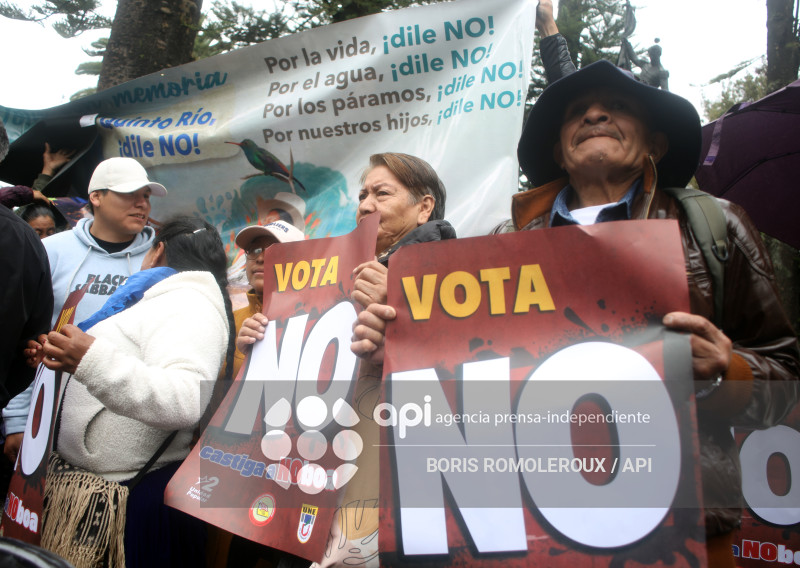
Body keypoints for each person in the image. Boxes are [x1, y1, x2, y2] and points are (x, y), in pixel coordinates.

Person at [353, 59, 800, 567]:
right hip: (531, 532)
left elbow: (785, 377)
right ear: (557, 152)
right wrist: (402, 350)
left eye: (619, 106)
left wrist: (726, 372)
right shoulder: (502, 245)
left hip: (678, 533)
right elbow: (462, 380)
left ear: (655, 144)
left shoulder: (713, 226)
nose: (594, 114)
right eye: (576, 112)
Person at [38, 215, 235, 568]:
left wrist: (89, 359)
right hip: (103, 495)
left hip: (132, 507)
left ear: (158, 251)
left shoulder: (191, 304)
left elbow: (186, 399)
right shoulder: (160, 298)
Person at [2, 156, 167, 463]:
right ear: (96, 197)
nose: (141, 204)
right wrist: (17, 418)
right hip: (48, 417)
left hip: (128, 424)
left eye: (146, 196)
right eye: (129, 194)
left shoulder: (162, 258)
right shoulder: (49, 250)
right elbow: (23, 338)